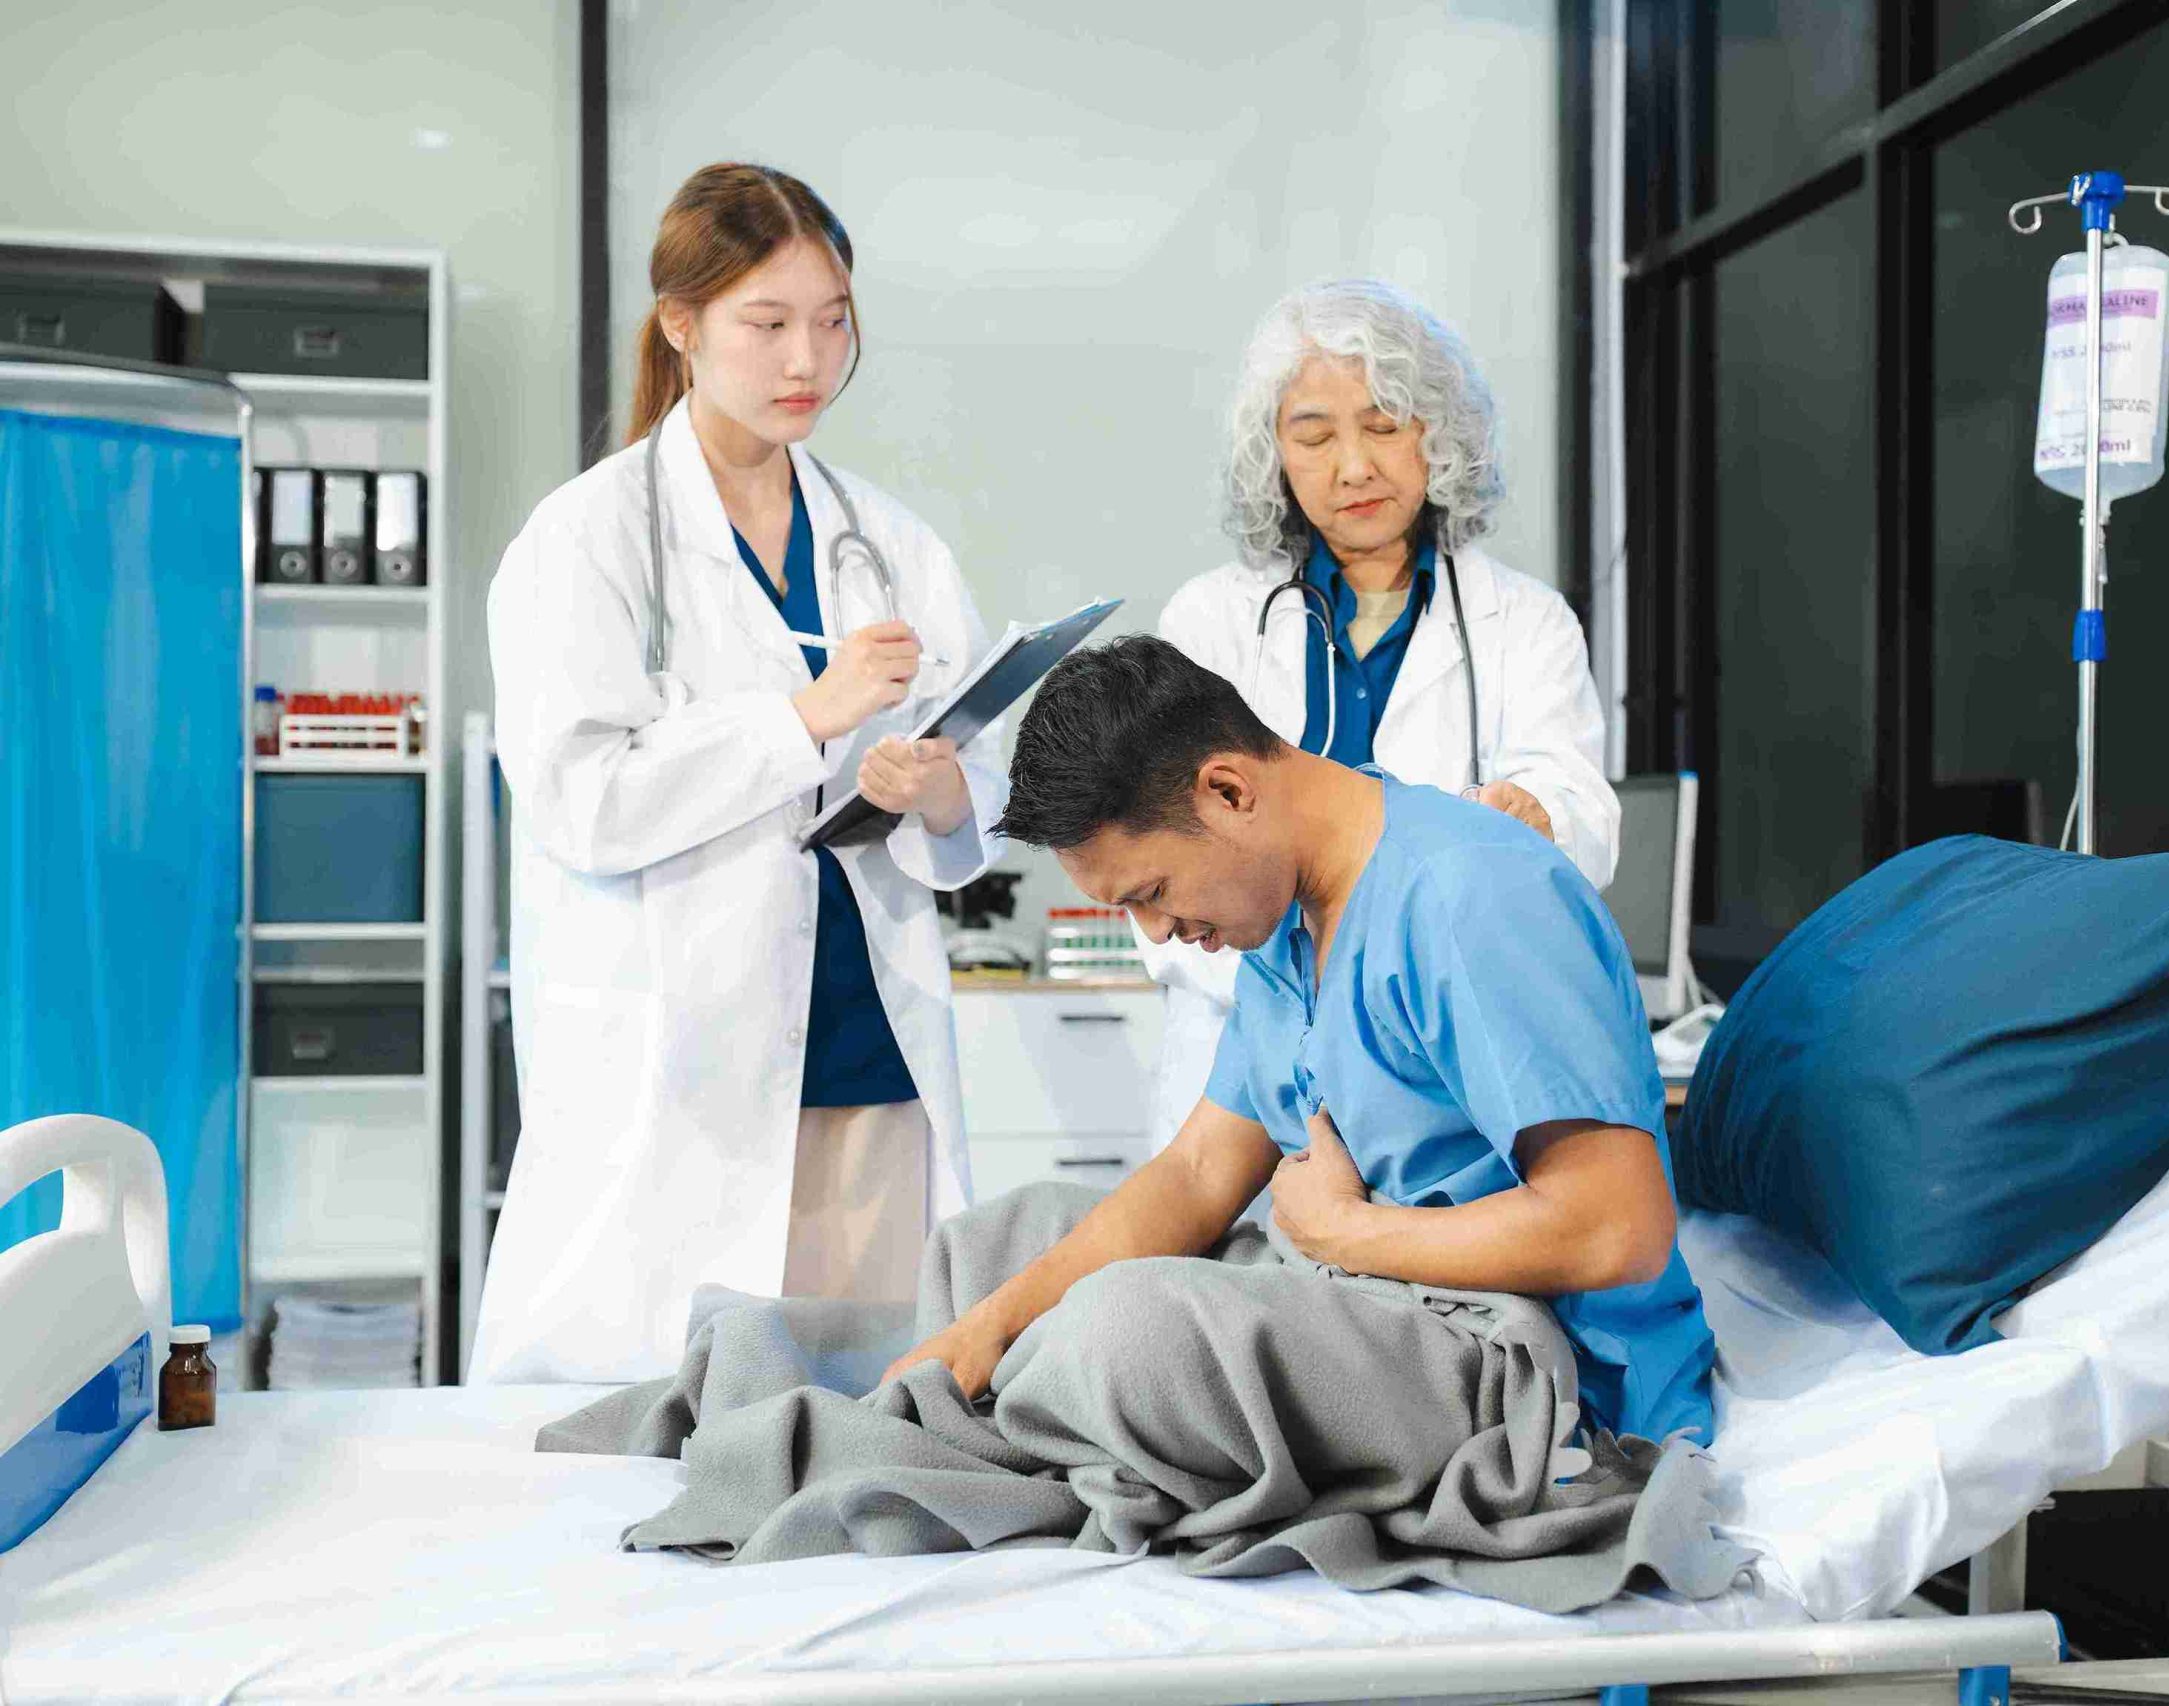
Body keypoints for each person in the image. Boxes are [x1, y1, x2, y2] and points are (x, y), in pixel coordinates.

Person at [888, 637, 1713, 1446]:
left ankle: (1029, 1406)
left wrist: (1345, 1235)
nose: (1161, 932)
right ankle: (999, 1380)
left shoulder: (1467, 895)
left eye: (1152, 892)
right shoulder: (1284, 929)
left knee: (1127, 1330)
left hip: (1530, 1358)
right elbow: (1200, 1172)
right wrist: (990, 1328)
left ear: (1228, 792)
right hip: (1369, 1294)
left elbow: (1621, 1228)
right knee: (996, 1247)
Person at [473, 164, 1006, 1384]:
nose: (804, 357)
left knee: (868, 1422)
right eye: (765, 324)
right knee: (663, 1438)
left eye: (831, 320)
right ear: (682, 323)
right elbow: (580, 799)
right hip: (677, 1076)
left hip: (870, 1061)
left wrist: (938, 790)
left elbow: (976, 780)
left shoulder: (891, 541)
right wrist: (802, 718)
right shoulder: (584, 540)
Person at [1138, 279, 1618, 1150]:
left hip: (1442, 1067)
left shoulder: (1528, 620)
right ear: (1272, 456)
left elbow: (1581, 805)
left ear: (1442, 434)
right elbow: (1165, 862)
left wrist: (1538, 814)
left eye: (1386, 425)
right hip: (1244, 1080)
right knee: (1222, 1277)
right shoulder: (1208, 625)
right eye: (1313, 435)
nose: (1354, 466)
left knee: (1436, 1271)